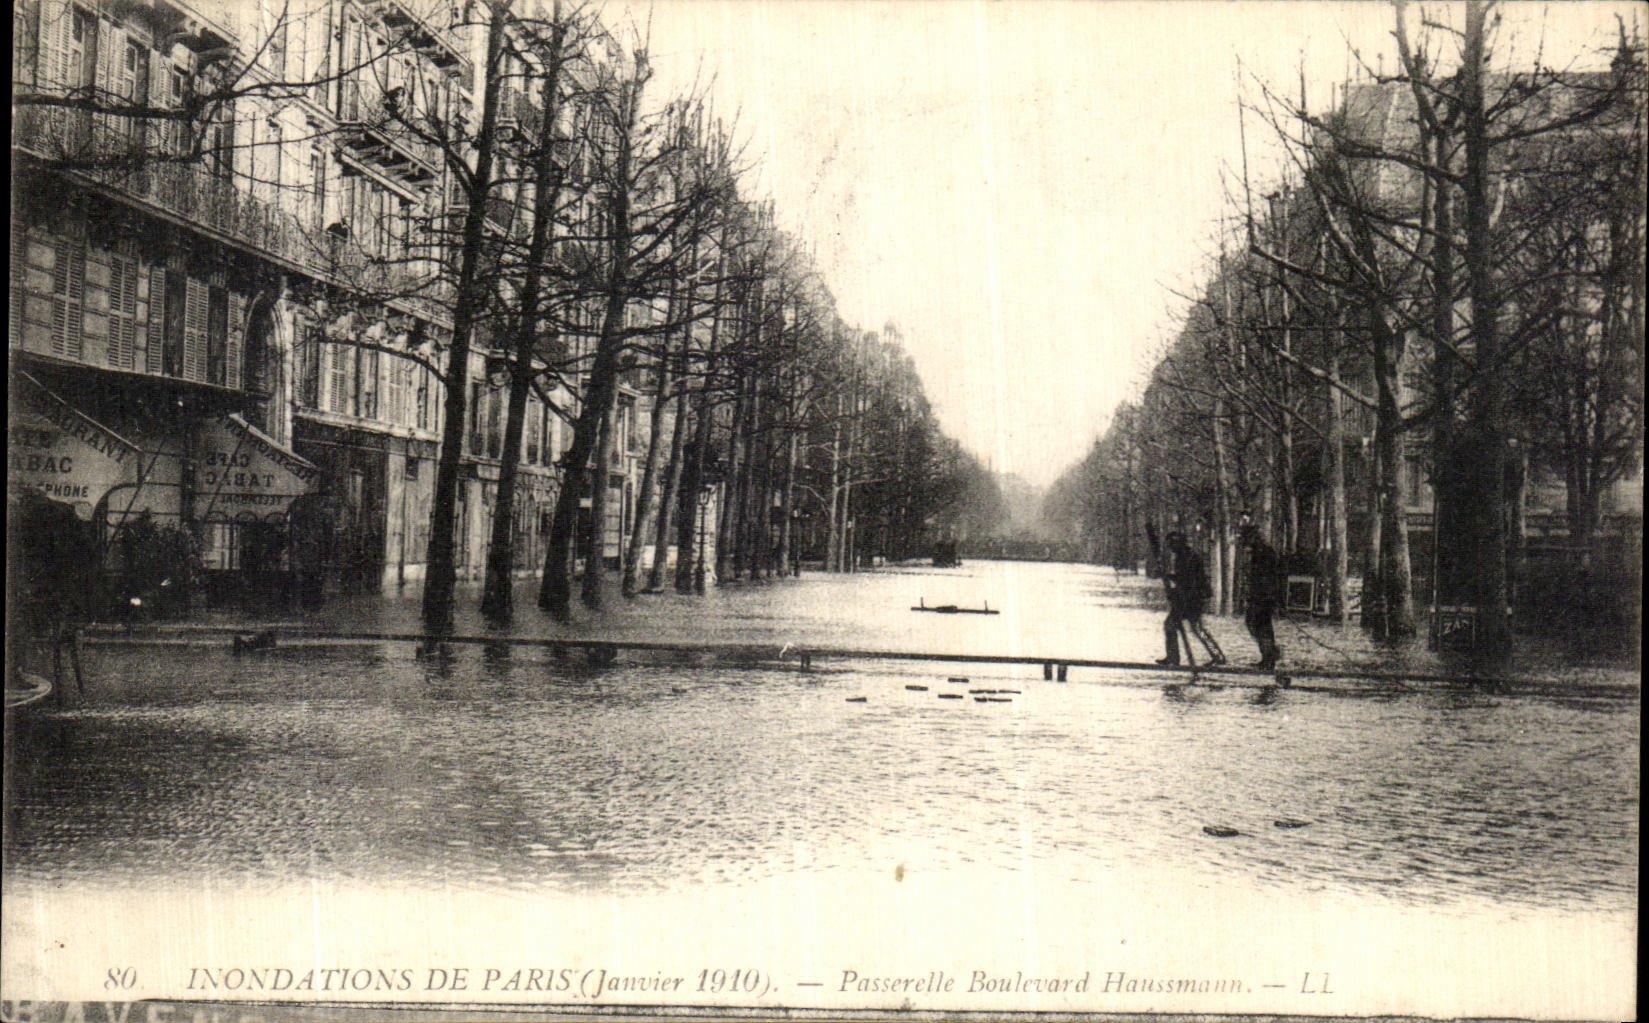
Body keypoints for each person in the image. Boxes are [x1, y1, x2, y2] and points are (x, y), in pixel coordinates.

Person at [1157, 530, 1225, 667]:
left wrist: (1176, 589)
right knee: (1173, 626)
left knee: (1196, 628)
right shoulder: (1183, 557)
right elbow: (1182, 578)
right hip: (1185, 599)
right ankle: (1173, 657)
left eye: (1172, 545)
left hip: (1191, 600)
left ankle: (1217, 656)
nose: (1171, 549)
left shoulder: (1189, 558)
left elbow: (1190, 581)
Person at [1239, 519, 1283, 670]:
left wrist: (1268, 595)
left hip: (1264, 597)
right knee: (1255, 624)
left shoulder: (1264, 553)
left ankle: (1269, 658)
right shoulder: (1258, 552)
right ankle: (1268, 655)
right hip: (1259, 596)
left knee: (1260, 625)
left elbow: (1268, 576)